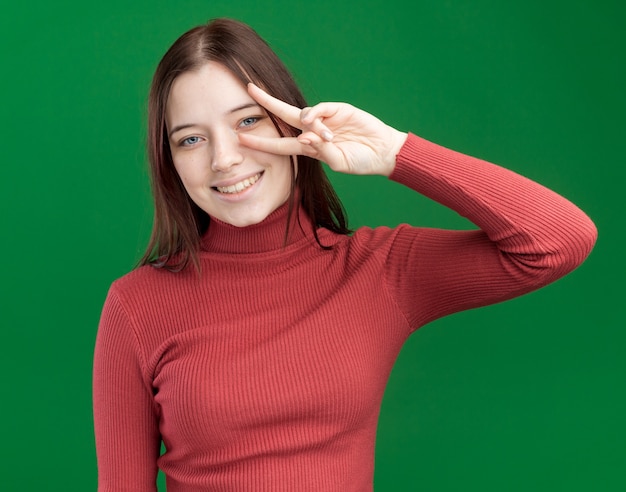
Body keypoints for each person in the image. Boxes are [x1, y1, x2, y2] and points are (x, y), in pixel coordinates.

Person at [92, 17, 597, 492]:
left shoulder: (376, 270)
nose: (224, 158)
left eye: (249, 121)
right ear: (171, 162)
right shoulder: (137, 305)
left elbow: (557, 241)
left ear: (294, 125)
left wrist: (396, 152)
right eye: (191, 139)